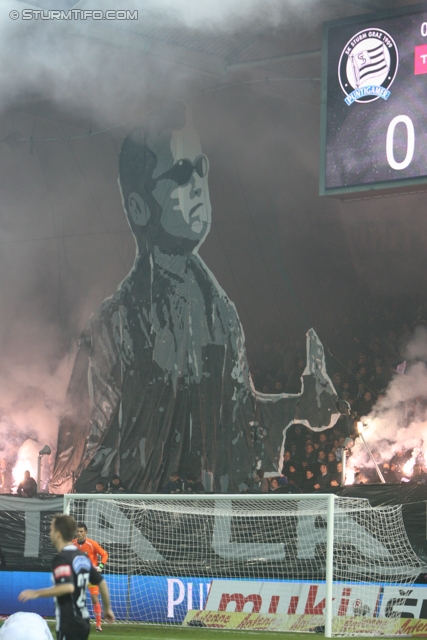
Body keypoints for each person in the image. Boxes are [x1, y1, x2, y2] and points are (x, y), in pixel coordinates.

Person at [51, 101, 339, 495]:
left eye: (201, 167)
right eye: (181, 173)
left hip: (206, 514)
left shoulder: (220, 312)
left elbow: (237, 415)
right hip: (134, 516)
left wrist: (299, 409)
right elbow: (85, 437)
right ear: (138, 207)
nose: (198, 183)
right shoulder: (114, 323)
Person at [18, 514, 114, 640]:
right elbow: (101, 582)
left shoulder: (62, 558)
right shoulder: (82, 557)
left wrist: (36, 593)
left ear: (58, 534)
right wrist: (108, 609)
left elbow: (68, 587)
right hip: (83, 622)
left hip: (69, 623)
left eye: (51, 530)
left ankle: (99, 624)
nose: (49, 533)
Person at [72, 522, 109, 632]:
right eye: (78, 531)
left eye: (81, 531)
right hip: (78, 575)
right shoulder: (72, 544)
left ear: (86, 532)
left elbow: (104, 554)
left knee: (94, 599)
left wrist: (101, 566)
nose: (79, 533)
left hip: (91, 575)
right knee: (75, 599)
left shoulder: (92, 544)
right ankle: (76, 622)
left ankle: (98, 624)